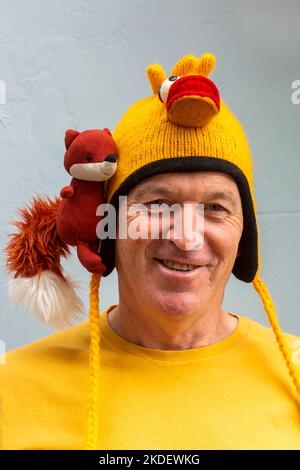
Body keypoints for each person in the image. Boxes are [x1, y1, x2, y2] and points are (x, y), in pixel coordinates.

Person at [1, 53, 300, 450]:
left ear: (245, 233)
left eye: (215, 207)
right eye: (158, 205)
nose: (186, 237)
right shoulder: (13, 385)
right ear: (108, 225)